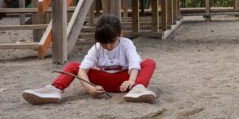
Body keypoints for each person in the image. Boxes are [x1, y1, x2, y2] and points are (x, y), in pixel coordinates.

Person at [22, 14, 157, 104]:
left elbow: (134, 63)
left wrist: (132, 81)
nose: (108, 46)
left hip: (125, 82)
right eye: (104, 43)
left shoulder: (126, 44)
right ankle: (54, 90)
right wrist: (89, 88)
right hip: (101, 82)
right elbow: (82, 70)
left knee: (149, 62)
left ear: (120, 34)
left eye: (112, 42)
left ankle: (138, 90)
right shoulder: (96, 47)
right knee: (74, 65)